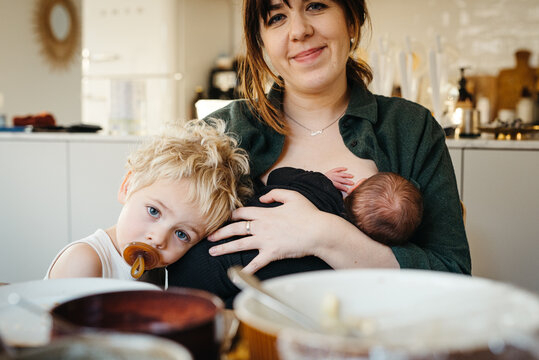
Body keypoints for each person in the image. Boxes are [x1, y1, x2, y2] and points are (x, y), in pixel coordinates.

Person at [167, 0, 470, 306]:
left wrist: (324, 234)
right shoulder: (219, 131)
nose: (299, 30)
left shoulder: (410, 127)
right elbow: (157, 246)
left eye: (315, 5)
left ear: (352, 21)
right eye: (276, 17)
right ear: (261, 43)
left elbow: (453, 279)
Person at [45, 119, 251, 280]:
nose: (159, 239)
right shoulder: (86, 261)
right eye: (154, 211)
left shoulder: (161, 272)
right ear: (127, 186)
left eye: (181, 234)